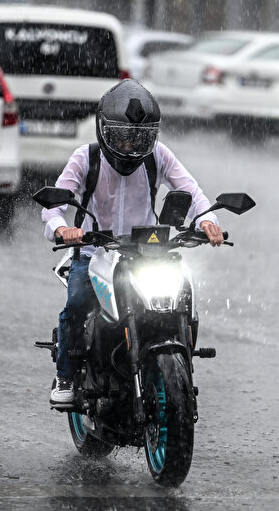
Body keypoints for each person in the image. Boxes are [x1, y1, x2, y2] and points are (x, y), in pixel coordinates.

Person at [41, 78, 224, 407]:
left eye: (140, 137)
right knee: (79, 300)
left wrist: (207, 220)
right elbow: (54, 206)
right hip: (95, 252)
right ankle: (66, 374)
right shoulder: (85, 159)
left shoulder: (158, 156)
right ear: (104, 130)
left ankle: (180, 363)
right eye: (123, 135)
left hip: (146, 254)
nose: (130, 145)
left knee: (180, 295)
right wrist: (61, 228)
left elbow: (193, 191)